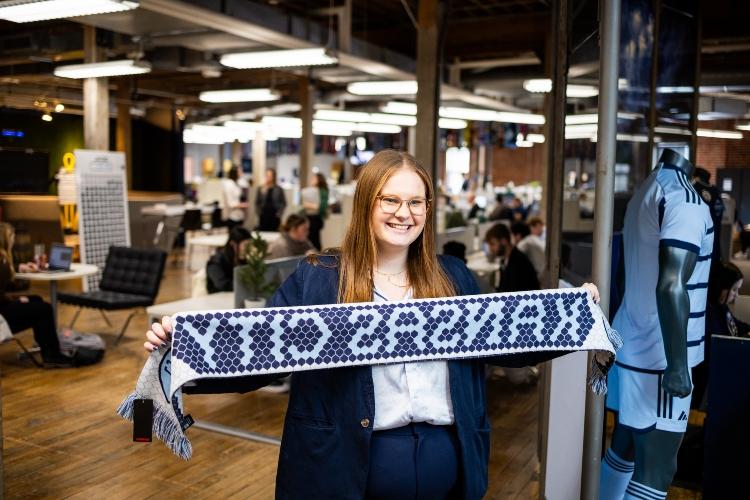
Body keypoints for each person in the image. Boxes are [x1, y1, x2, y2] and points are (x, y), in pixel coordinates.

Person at [145, 149, 601, 499]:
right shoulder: (320, 279)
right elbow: (259, 357)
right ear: (367, 202)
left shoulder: (452, 278)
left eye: (416, 202)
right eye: (391, 199)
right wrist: (180, 349)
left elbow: (506, 340)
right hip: (346, 473)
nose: (404, 213)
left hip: (449, 469)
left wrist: (576, 314)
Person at [601, 150, 713, 500]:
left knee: (624, 452)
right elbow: (671, 284)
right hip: (662, 360)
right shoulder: (685, 200)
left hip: (633, 347)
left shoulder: (648, 188)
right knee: (658, 469)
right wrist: (679, 365)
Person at [0, 223, 74, 367]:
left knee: (36, 299)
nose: (14, 239)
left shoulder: (3, 261)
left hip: (2, 308)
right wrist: (15, 300)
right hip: (2, 315)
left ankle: (46, 348)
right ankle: (52, 356)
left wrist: (18, 268)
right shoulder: (2, 263)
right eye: (12, 236)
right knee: (44, 308)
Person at [485, 222, 540, 293]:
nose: (490, 249)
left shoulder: (519, 263)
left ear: (503, 241)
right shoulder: (505, 261)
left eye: (493, 244)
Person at [205, 227, 252, 294]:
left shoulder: (242, 259)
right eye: (245, 245)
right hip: (218, 300)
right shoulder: (216, 262)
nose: (249, 248)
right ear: (233, 244)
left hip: (237, 296)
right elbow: (222, 285)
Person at [301, 173, 329, 251]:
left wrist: (309, 205)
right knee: (308, 238)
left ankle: (316, 256)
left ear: (319, 180)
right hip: (308, 217)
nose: (311, 180)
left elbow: (322, 207)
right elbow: (302, 205)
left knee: (315, 239)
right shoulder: (307, 191)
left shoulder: (323, 192)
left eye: (314, 178)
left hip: (316, 219)